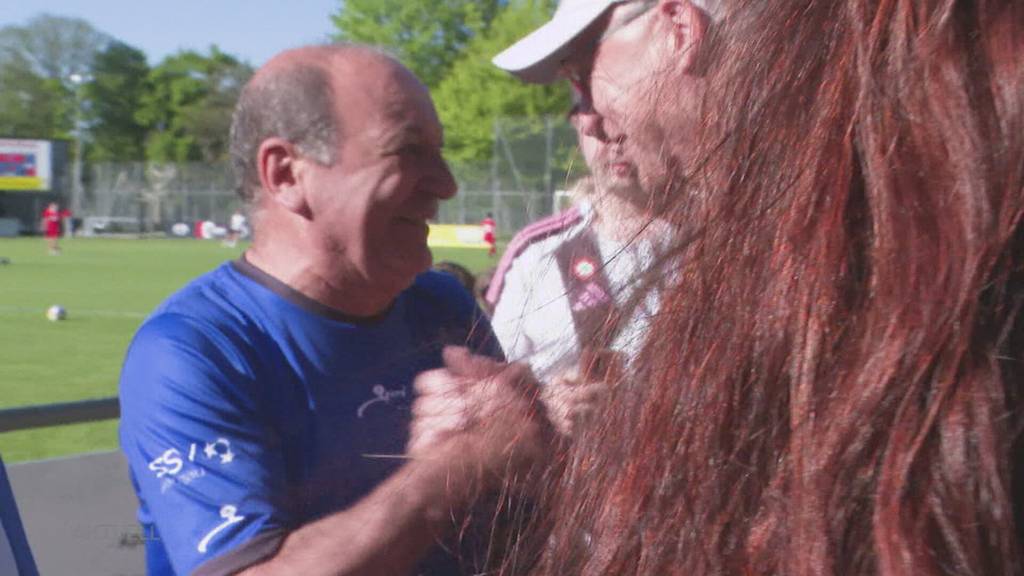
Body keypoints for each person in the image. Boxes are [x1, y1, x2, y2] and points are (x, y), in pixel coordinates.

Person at [493, 1, 1024, 575]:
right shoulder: (800, 219)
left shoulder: (875, 218)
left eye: (582, 74)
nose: (587, 114)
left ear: (677, 28)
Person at [119, 44, 548, 576]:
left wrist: (549, 435)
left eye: (438, 153)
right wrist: (454, 468)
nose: (445, 184)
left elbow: (515, 516)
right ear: (286, 173)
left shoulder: (443, 305)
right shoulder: (195, 350)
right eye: (408, 151)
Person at [486, 110, 671, 390]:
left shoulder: (715, 242)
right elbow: (495, 379)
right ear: (579, 127)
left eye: (626, 117)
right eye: (599, 116)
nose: (615, 138)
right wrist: (549, 404)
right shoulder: (536, 250)